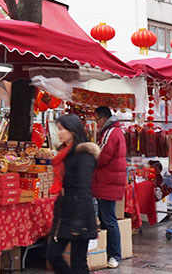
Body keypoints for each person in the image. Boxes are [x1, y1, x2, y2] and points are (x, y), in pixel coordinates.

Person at [48, 114, 99, 274]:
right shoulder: (65, 152)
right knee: (53, 255)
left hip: (79, 212)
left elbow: (84, 189)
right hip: (65, 210)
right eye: (58, 129)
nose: (58, 133)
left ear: (73, 130)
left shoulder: (84, 155)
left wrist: (79, 219)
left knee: (78, 263)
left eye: (62, 129)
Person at [90, 106, 125, 268]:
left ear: (102, 118)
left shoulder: (110, 132)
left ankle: (115, 255)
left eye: (96, 120)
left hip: (107, 182)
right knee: (107, 219)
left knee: (109, 219)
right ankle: (110, 253)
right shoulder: (113, 131)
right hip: (108, 181)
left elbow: (102, 155)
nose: (96, 124)